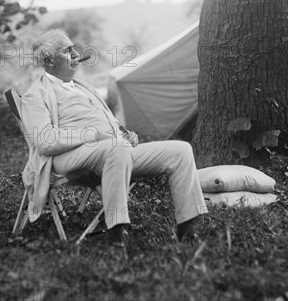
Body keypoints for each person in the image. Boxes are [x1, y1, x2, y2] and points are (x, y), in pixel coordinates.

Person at [20, 29, 208, 248]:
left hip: (114, 150)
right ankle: (116, 235)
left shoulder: (84, 87)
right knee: (115, 148)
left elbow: (108, 122)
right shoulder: (36, 94)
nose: (74, 53)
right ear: (49, 61)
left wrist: (123, 133)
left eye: (74, 48)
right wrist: (96, 135)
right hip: (68, 158)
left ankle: (186, 229)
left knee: (181, 150)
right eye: (67, 50)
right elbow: (44, 141)